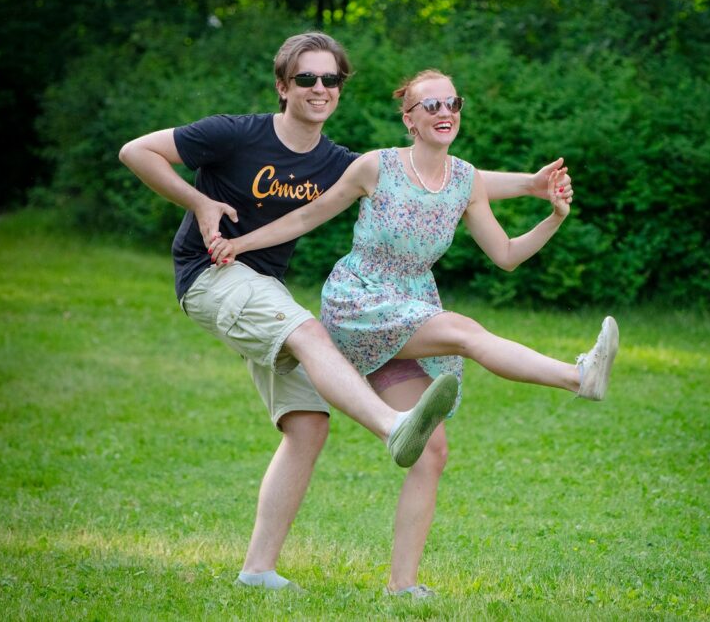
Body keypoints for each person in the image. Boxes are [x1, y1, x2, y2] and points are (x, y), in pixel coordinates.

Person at [119, 32, 572, 593]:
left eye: (330, 79)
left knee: (307, 423)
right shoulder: (235, 132)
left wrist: (530, 187)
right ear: (283, 86)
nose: (319, 88)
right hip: (210, 273)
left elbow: (438, 181)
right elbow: (136, 150)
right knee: (308, 329)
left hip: (265, 284)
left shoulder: (338, 161)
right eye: (306, 78)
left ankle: (257, 571)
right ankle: (394, 426)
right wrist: (200, 201)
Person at [209, 68, 619, 597]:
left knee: (431, 450)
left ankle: (402, 586)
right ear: (409, 119)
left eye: (453, 103)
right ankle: (578, 376)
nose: (445, 113)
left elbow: (507, 256)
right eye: (431, 106)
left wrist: (554, 217)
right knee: (464, 331)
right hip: (359, 302)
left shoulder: (466, 181)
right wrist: (240, 245)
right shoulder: (375, 167)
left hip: (411, 307)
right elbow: (306, 218)